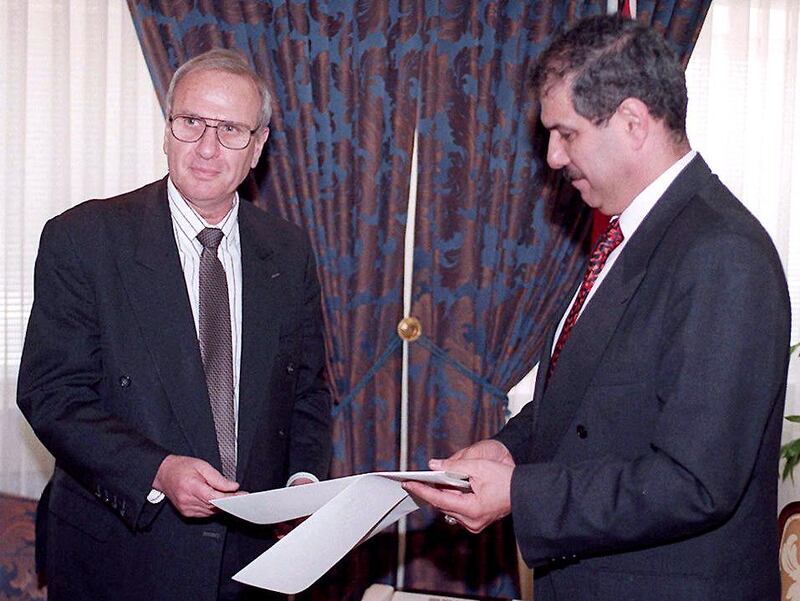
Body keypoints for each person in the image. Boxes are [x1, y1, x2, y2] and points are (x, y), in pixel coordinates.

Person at [403, 15, 791, 600]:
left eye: (568, 134)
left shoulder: (723, 254)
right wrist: (508, 448)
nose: (554, 158)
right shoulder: (629, 235)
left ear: (633, 122)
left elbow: (695, 481)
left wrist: (519, 494)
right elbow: (589, 401)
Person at [17, 48, 332, 601]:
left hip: (252, 562)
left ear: (258, 147)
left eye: (230, 129)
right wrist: (157, 471)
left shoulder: (288, 250)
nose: (207, 147)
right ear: (167, 130)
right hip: (121, 554)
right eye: (191, 122)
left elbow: (306, 391)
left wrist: (300, 487)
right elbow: (52, 395)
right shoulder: (85, 239)